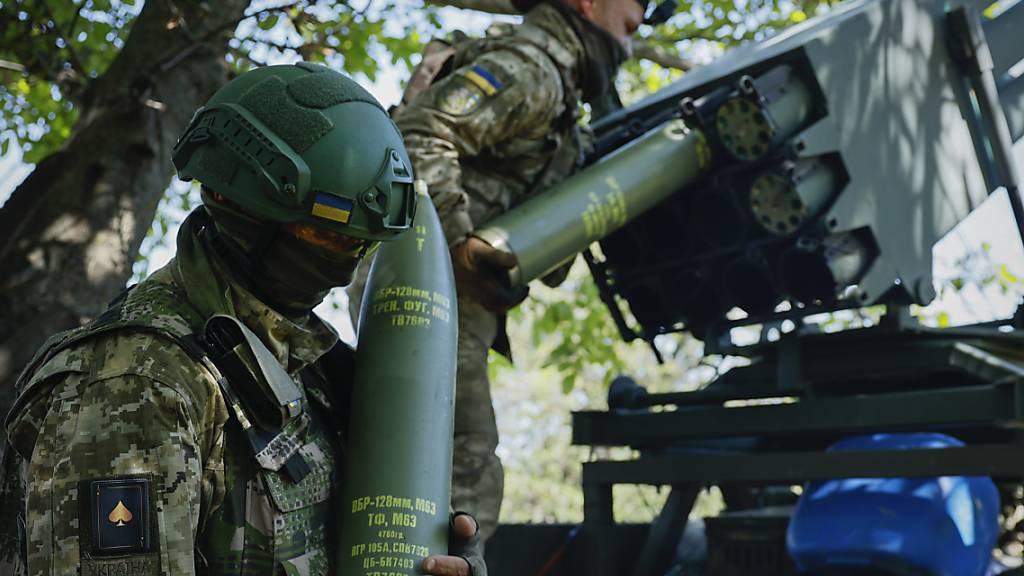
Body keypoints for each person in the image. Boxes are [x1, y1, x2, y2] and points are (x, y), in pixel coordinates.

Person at [1, 63, 484, 576]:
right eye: (328, 235)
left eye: (360, 246)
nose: (343, 266)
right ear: (234, 202)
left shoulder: (311, 375)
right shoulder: (134, 384)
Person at [347, 0, 645, 541]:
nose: (628, 46)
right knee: (462, 463)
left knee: (445, 460)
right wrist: (459, 240)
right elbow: (420, 131)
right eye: (628, 28)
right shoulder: (533, 68)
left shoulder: (560, 92)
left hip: (436, 289)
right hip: (423, 283)